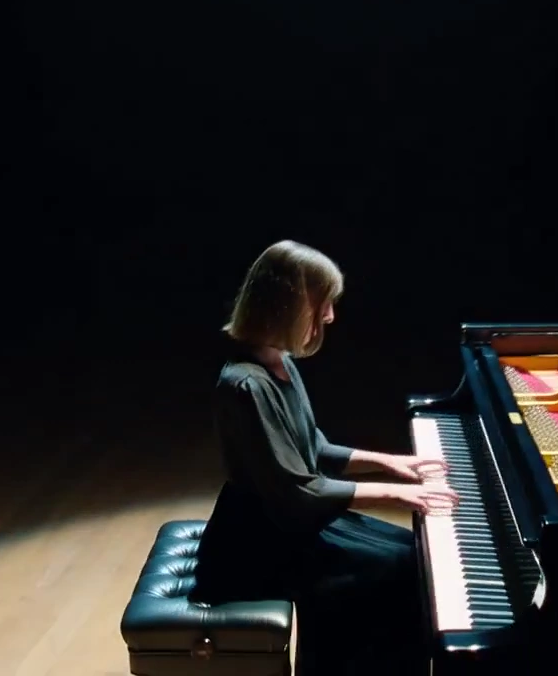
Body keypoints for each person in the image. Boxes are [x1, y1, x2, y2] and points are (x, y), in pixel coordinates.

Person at [190, 240, 458, 676]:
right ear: (288, 305)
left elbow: (313, 447)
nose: (330, 316)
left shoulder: (279, 363)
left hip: (291, 523)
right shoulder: (246, 387)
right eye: (323, 304)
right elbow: (299, 491)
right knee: (395, 569)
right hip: (258, 542)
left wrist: (392, 463)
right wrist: (401, 494)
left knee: (413, 554)